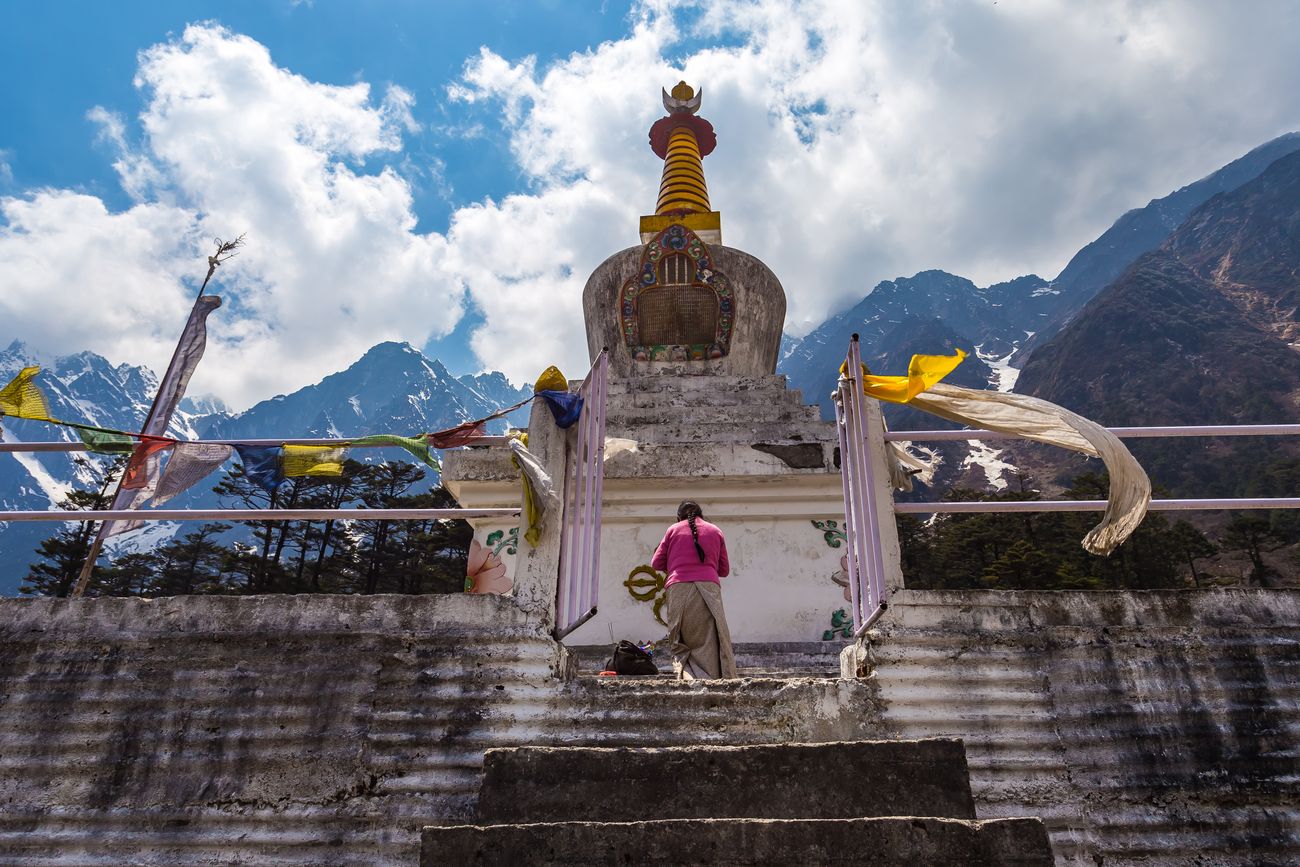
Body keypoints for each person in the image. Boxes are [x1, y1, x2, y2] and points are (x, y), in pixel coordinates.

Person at [650, 500, 737, 680]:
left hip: (678, 589)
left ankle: (687, 678)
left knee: (680, 641)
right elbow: (724, 570)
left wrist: (676, 564)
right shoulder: (715, 531)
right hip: (708, 590)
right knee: (709, 642)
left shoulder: (673, 530)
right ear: (701, 515)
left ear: (678, 517)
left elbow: (656, 563)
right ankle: (710, 681)